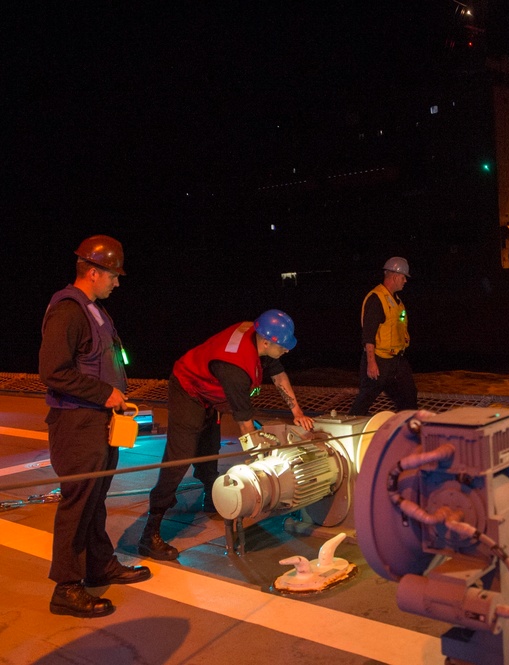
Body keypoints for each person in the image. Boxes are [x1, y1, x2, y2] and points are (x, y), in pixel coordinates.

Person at [138, 309, 315, 560]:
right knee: (182, 456)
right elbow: (245, 427)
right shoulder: (236, 368)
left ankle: (210, 498)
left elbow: (277, 373)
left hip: (210, 393)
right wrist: (261, 461)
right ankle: (150, 531)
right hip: (188, 388)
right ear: (266, 342)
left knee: (210, 449)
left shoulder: (259, 335)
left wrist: (297, 411)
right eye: (283, 346)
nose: (287, 350)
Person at [39, 235, 151, 618]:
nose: (117, 282)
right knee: (78, 501)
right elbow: (53, 371)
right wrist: (105, 393)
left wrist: (114, 399)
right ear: (92, 271)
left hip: (99, 421)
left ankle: (99, 564)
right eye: (113, 276)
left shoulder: (94, 310)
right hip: (76, 423)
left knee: (95, 497)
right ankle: (66, 587)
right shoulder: (69, 310)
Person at [347, 257, 418, 415]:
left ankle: (407, 431)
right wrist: (371, 362)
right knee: (366, 397)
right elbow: (368, 335)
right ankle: (349, 426)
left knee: (409, 396)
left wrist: (403, 337)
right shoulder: (376, 298)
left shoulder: (397, 301)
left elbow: (398, 322)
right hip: (379, 360)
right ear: (394, 276)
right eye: (403, 277)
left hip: (396, 360)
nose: (405, 280)